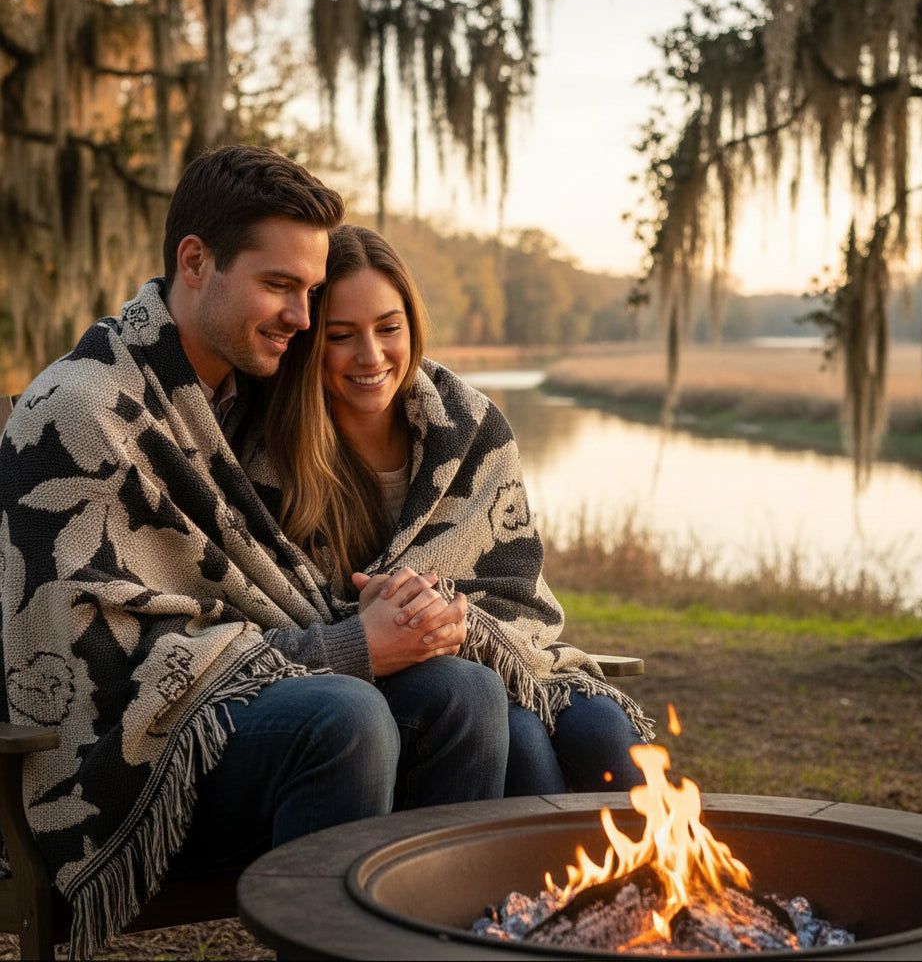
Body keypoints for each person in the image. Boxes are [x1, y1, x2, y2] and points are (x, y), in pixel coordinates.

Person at [0, 146, 508, 959]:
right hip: (112, 764)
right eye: (281, 287)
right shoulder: (84, 412)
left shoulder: (237, 397)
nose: (304, 320)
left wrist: (384, 617)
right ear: (194, 263)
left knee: (464, 694)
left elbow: (275, 584)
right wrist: (350, 646)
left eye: (310, 292)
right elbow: (103, 670)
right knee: (344, 715)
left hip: (237, 711)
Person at [248, 223, 656, 797]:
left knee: (605, 730)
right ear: (312, 341)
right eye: (341, 335)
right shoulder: (274, 452)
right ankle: (518, 889)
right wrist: (375, 620)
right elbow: (274, 605)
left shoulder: (469, 427)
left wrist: (452, 618)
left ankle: (643, 885)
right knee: (525, 745)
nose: (371, 355)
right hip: (375, 684)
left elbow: (512, 586)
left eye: (389, 328)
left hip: (499, 660)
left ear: (412, 324)